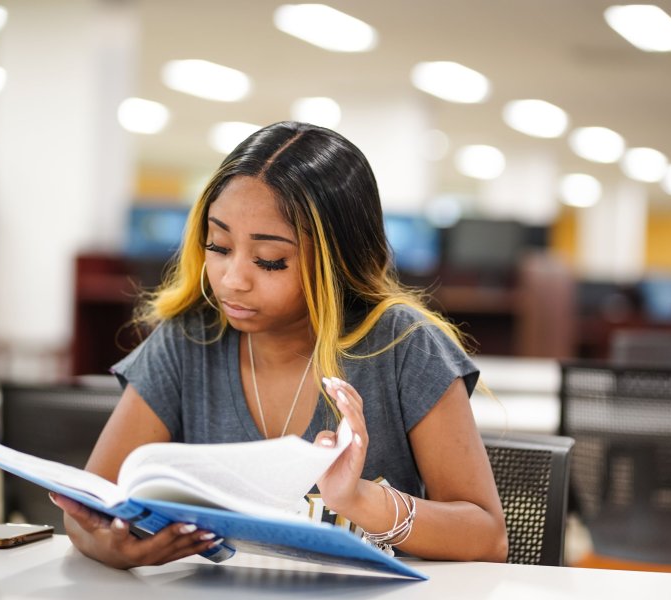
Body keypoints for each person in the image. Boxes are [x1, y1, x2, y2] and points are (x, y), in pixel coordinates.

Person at [52, 121, 508, 568]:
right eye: (218, 246)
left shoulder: (404, 346)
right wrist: (106, 547)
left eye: (270, 261)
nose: (233, 280)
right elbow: (90, 506)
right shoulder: (185, 340)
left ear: (337, 260)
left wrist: (360, 498)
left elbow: (487, 537)